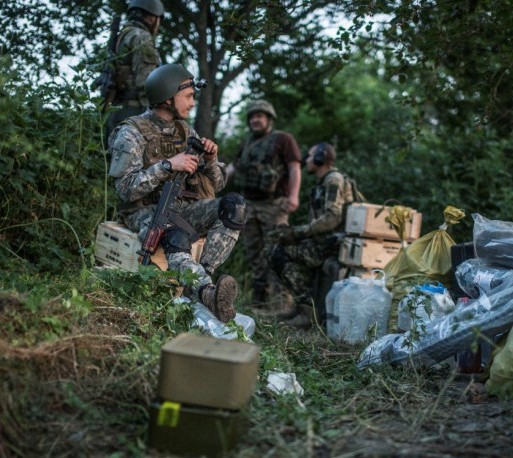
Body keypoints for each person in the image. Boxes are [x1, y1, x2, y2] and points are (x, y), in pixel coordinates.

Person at [108, 64, 246, 322]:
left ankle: (203, 278)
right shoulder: (131, 132)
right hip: (145, 210)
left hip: (181, 205)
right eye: (189, 96)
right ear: (168, 98)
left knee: (234, 206)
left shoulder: (185, 131)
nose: (193, 103)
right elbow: (125, 190)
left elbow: (217, 186)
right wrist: (169, 165)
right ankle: (206, 292)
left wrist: (212, 160)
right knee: (176, 235)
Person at [267, 142, 356, 328]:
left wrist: (300, 232)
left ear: (320, 159)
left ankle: (307, 310)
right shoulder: (324, 182)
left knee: (278, 254)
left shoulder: (333, 180)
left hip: (332, 244)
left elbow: (332, 218)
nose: (306, 160)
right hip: (323, 242)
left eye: (310, 156)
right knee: (281, 246)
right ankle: (302, 306)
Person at [226, 100, 302, 308]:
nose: (255, 120)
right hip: (249, 205)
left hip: (274, 206)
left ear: (269, 119)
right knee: (254, 254)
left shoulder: (283, 140)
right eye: (252, 117)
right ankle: (261, 303)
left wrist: (294, 196)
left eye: (259, 116)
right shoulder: (248, 143)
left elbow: (294, 167)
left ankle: (283, 306)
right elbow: (233, 167)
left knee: (278, 253)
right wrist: (216, 181)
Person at [104, 0, 164, 142]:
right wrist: (155, 117)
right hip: (134, 112)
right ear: (151, 17)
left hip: (117, 110)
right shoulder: (141, 37)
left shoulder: (123, 35)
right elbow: (147, 82)